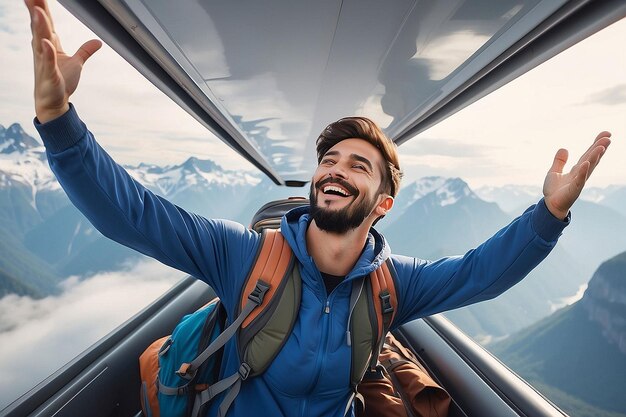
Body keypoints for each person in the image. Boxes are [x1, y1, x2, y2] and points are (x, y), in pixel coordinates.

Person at [25, 0, 612, 416]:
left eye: (358, 165)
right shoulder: (246, 255)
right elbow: (132, 213)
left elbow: (482, 274)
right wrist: (58, 123)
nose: (335, 169)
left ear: (381, 204)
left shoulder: (392, 285)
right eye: (329, 159)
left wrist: (548, 216)